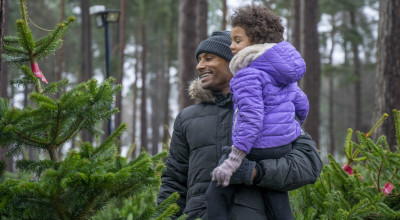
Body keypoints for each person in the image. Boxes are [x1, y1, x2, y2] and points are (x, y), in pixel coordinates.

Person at [157, 30, 322, 220]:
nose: (200, 66)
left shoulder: (274, 109)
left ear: (234, 61)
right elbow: (173, 181)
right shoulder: (187, 118)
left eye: (209, 58)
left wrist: (256, 172)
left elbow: (310, 163)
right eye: (199, 59)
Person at [206, 5, 308, 220]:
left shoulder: (247, 75)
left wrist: (235, 158)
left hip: (256, 147)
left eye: (237, 40)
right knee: (276, 198)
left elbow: (250, 118)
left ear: (255, 39)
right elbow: (302, 104)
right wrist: (290, 129)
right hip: (282, 146)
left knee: (216, 193)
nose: (232, 46)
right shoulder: (282, 72)